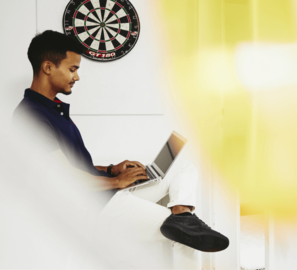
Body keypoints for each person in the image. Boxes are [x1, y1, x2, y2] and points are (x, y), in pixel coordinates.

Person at [12, 30, 228, 269]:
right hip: (96, 208)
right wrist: (116, 183)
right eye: (73, 69)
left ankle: (183, 215)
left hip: (107, 193)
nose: (77, 77)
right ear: (48, 67)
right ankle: (183, 223)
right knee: (188, 235)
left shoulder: (53, 109)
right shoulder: (30, 115)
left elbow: (71, 164)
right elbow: (60, 177)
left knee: (182, 168)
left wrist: (112, 169)